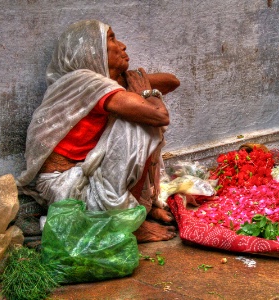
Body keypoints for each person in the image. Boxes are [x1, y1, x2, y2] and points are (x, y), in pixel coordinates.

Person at [16, 19, 180, 242]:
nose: (122, 45)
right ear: (91, 51)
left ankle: (143, 208)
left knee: (139, 113)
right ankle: (128, 222)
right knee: (139, 124)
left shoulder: (102, 83)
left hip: (83, 178)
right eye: (112, 38)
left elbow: (172, 81)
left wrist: (132, 81)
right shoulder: (86, 82)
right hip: (67, 190)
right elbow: (159, 115)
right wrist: (146, 93)